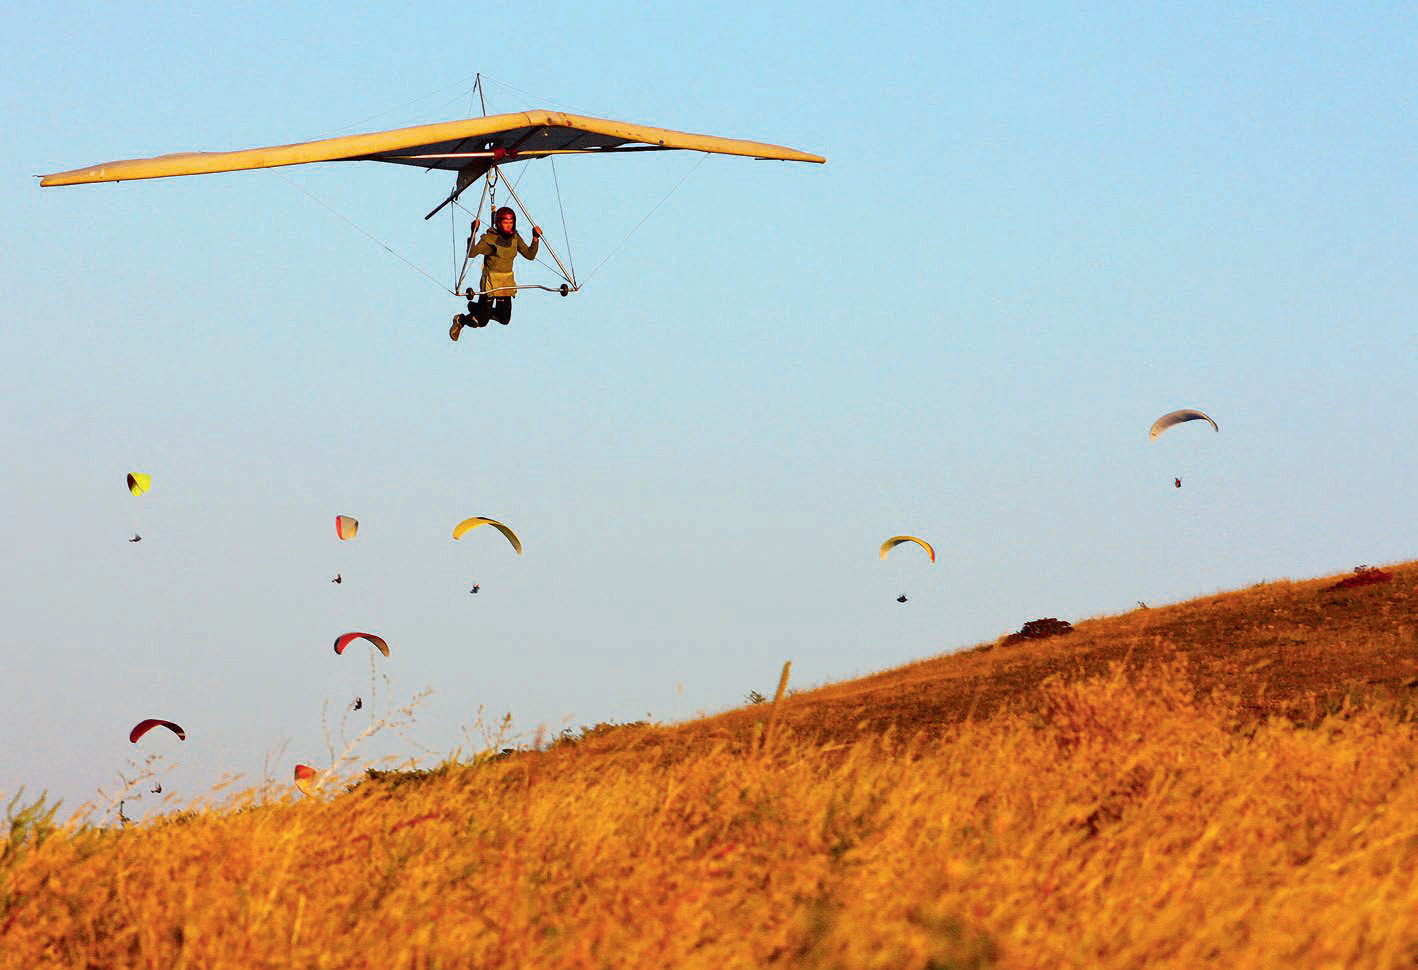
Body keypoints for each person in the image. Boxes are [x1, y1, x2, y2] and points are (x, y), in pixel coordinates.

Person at [450, 206, 541, 341]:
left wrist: (535, 238)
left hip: (506, 283)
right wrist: (473, 232)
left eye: (511, 222)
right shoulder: (490, 239)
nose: (508, 226)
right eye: (505, 222)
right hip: (490, 283)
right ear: (499, 223)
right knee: (481, 321)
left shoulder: (515, 238)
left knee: (504, 319)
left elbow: (530, 255)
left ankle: (477, 308)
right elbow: (472, 253)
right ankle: (461, 320)